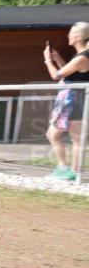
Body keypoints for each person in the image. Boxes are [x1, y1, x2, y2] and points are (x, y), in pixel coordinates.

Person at [43, 22, 89, 181]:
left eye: (70, 33)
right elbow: (70, 75)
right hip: (75, 98)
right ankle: (70, 171)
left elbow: (56, 76)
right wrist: (57, 58)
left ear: (78, 37)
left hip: (72, 99)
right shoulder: (82, 56)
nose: (68, 35)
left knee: (57, 135)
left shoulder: (83, 57)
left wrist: (47, 60)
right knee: (70, 136)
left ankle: (67, 170)